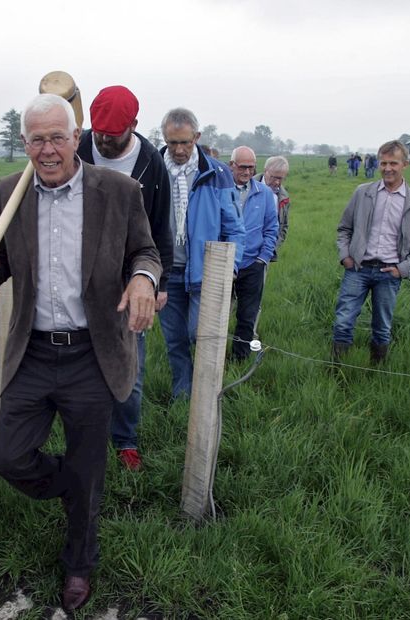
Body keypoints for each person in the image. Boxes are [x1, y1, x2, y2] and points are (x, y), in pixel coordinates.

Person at [0, 94, 160, 612]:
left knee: (90, 460)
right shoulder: (10, 191)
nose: (47, 150)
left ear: (77, 138)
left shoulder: (117, 190)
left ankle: (79, 562)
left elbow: (146, 250)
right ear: (23, 143)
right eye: (36, 139)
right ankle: (73, 487)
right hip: (33, 349)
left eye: (56, 138)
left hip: (92, 352)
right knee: (8, 457)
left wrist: (142, 278)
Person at [76, 85, 173, 471]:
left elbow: (161, 226)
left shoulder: (151, 162)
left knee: (129, 368)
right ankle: (85, 438)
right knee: (82, 363)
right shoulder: (79, 148)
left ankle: (125, 440)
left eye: (112, 136)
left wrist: (157, 283)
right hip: (81, 278)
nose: (103, 141)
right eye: (98, 133)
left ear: (133, 125)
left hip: (132, 280)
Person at [158, 107, 245, 398]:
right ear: (164, 138)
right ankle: (183, 394)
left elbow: (235, 228)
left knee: (201, 334)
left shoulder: (216, 174)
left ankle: (208, 392)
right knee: (175, 339)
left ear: (197, 136)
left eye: (185, 142)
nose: (179, 150)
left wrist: (230, 268)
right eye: (172, 143)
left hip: (205, 271)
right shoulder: (154, 169)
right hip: (165, 272)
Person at [332, 140, 410, 364]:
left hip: (389, 273)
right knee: (343, 322)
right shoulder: (363, 193)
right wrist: (345, 256)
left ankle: (376, 372)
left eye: (393, 163)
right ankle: (337, 371)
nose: (387, 168)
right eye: (383, 163)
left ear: (405, 164)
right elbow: (344, 228)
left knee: (382, 327)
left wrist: (403, 269)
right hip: (358, 268)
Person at [229, 146, 278, 361]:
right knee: (217, 314)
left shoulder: (264, 193)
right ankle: (214, 358)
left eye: (251, 167)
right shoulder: (219, 191)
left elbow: (271, 228)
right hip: (223, 264)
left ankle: (240, 358)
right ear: (232, 165)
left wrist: (263, 258)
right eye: (242, 167)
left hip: (252, 265)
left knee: (247, 316)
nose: (247, 172)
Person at [255, 155, 290, 261]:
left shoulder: (284, 197)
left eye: (281, 179)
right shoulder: (248, 186)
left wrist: (270, 248)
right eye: (274, 177)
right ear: (265, 171)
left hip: (265, 253)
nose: (277, 182)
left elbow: (283, 226)